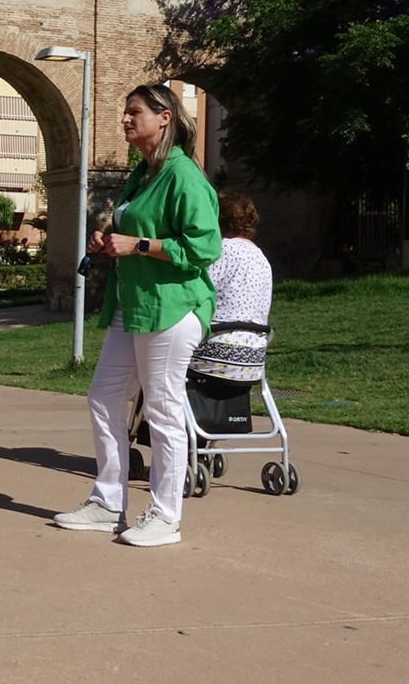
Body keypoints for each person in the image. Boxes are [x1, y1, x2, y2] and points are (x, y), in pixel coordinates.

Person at [53, 83, 220, 548]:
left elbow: (205, 247)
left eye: (135, 112)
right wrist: (109, 239)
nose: (125, 119)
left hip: (171, 307)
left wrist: (139, 245)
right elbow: (131, 228)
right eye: (125, 112)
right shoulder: (144, 173)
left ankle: (166, 516)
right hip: (134, 305)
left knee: (163, 410)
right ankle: (108, 503)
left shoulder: (183, 175)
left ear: (164, 117)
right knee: (104, 396)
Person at [190, 191, 273, 383]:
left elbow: (194, 295)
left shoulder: (219, 250)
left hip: (216, 354)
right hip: (253, 359)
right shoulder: (261, 257)